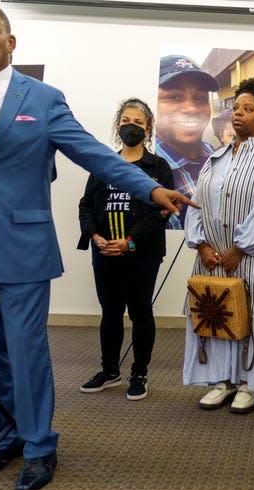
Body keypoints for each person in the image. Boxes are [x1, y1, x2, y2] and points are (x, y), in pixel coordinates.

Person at [0, 0, 195, 490]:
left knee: (25, 350)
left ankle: (39, 445)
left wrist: (150, 189)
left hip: (22, 248)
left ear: (9, 41)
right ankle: (3, 437)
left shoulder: (41, 99)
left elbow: (94, 154)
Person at [183, 78, 254, 414]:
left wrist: (240, 248)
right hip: (213, 259)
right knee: (217, 313)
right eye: (236, 108)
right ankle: (222, 380)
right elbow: (197, 202)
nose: (239, 114)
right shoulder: (214, 159)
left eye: (248, 110)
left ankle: (251, 383)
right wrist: (201, 244)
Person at [77, 98, 173, 401]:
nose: (131, 126)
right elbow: (86, 204)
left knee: (141, 311)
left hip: (141, 254)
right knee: (110, 313)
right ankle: (109, 371)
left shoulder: (158, 166)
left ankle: (139, 373)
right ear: (118, 124)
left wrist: (130, 241)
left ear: (148, 128)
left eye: (138, 122)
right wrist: (93, 235)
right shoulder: (105, 163)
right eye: (126, 120)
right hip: (105, 253)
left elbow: (161, 212)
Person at [155, 54, 220, 229]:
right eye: (174, 97)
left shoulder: (215, 155)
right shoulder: (142, 170)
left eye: (200, 98)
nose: (191, 108)